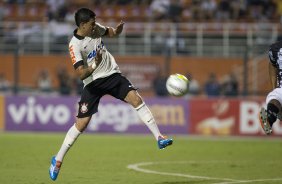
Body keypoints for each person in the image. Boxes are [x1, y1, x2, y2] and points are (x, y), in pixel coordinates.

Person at [49, 8, 173, 181]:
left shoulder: (95, 28)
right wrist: (94, 65)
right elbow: (80, 73)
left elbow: (111, 33)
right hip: (92, 83)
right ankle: (58, 159)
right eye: (92, 24)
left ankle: (159, 137)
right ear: (83, 25)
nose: (95, 27)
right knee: (82, 124)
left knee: (136, 99)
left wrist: (118, 31)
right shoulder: (74, 45)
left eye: (95, 23)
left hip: (112, 75)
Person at [259, 41, 282, 135]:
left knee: (274, 97)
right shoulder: (276, 48)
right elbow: (272, 64)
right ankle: (269, 119)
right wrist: (274, 87)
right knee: (275, 96)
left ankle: (270, 117)